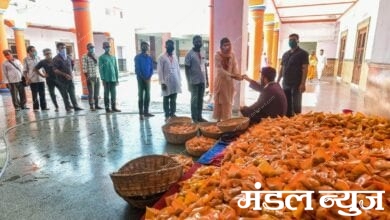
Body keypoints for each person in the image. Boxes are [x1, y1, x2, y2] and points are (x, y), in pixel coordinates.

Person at [277, 33, 309, 117]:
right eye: (290, 40)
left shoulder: (303, 54)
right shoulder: (285, 54)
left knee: (296, 103)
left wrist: (303, 83)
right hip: (286, 82)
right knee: (287, 103)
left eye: (293, 40)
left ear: (298, 41)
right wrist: (278, 80)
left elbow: (305, 69)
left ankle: (298, 121)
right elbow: (282, 68)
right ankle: (289, 120)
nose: (291, 41)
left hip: (296, 83)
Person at [213, 37, 242, 122]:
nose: (227, 47)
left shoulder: (232, 55)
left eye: (228, 45)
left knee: (228, 102)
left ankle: (227, 121)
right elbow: (220, 70)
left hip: (229, 84)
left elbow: (235, 66)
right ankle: (218, 121)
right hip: (220, 82)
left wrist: (237, 75)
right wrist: (231, 75)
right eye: (225, 45)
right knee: (220, 102)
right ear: (221, 46)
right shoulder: (217, 55)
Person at [53, 42, 83, 112]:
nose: (64, 49)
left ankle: (76, 106)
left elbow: (71, 66)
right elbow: (55, 70)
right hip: (62, 80)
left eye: (64, 48)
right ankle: (68, 108)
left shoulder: (68, 57)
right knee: (65, 94)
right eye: (62, 48)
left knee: (72, 93)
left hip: (70, 79)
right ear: (58, 49)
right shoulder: (56, 59)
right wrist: (65, 75)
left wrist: (71, 74)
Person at [185, 35, 208, 123]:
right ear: (193, 43)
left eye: (200, 41)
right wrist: (188, 83)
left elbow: (204, 66)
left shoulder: (203, 52)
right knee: (194, 101)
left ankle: (199, 117)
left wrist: (207, 80)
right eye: (197, 41)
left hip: (202, 81)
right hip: (193, 82)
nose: (199, 43)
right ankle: (194, 119)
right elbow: (187, 69)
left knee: (201, 100)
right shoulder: (189, 54)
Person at [157, 40, 181, 121]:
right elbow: (160, 71)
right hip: (166, 82)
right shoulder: (161, 57)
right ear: (165, 46)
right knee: (166, 99)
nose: (170, 46)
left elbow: (178, 69)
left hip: (175, 81)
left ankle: (173, 114)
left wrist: (179, 81)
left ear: (173, 47)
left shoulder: (175, 57)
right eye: (168, 45)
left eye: (172, 45)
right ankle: (167, 115)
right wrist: (162, 82)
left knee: (173, 99)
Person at [24, 45, 48, 111]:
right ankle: (36, 108)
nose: (35, 52)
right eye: (33, 51)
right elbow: (25, 71)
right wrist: (27, 79)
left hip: (41, 79)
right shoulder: (26, 59)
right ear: (29, 52)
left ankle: (44, 107)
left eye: (35, 50)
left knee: (42, 93)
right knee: (34, 94)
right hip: (33, 80)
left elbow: (42, 68)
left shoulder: (38, 58)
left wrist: (44, 73)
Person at [99, 41, 121, 113]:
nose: (107, 48)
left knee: (114, 93)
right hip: (106, 79)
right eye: (106, 47)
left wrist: (117, 79)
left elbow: (116, 68)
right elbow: (101, 69)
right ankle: (107, 108)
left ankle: (114, 107)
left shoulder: (113, 57)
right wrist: (102, 78)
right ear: (103, 48)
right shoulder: (101, 57)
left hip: (113, 78)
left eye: (108, 47)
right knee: (106, 94)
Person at [134, 41, 154, 120]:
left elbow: (152, 68)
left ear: (148, 48)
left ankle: (146, 112)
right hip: (140, 80)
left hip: (148, 79)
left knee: (148, 96)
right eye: (143, 46)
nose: (145, 47)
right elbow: (137, 69)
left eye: (146, 46)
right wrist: (143, 78)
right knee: (141, 96)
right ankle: (141, 114)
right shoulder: (137, 57)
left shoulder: (149, 58)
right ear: (141, 47)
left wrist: (149, 77)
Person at [82, 43, 102, 111]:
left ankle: (96, 105)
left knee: (97, 92)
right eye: (90, 47)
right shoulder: (84, 56)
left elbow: (98, 65)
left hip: (97, 76)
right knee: (91, 93)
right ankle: (91, 106)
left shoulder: (96, 55)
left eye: (93, 47)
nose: (92, 48)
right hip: (90, 77)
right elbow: (84, 68)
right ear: (87, 49)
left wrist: (93, 57)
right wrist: (87, 77)